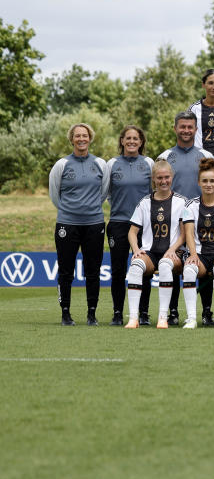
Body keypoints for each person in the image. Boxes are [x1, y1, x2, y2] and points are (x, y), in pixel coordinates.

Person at [157, 111, 214, 324]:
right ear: (175, 128)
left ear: (196, 129)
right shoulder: (165, 156)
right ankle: (173, 311)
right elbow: (157, 186)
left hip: (203, 216)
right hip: (174, 219)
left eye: (190, 127)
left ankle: (207, 311)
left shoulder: (206, 156)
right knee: (175, 262)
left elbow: (213, 183)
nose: (186, 130)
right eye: (182, 126)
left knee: (206, 263)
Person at [49, 123, 108, 326]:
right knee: (66, 271)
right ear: (72, 139)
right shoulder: (61, 165)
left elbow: (103, 193)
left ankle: (92, 314)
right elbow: (54, 195)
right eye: (77, 136)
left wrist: (89, 209)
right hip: (67, 224)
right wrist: (70, 211)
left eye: (85, 135)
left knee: (93, 270)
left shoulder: (100, 164)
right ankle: (65, 313)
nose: (81, 139)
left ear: (90, 138)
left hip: (94, 224)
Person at [123, 160, 187, 329]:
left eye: (166, 177)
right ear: (153, 179)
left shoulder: (181, 202)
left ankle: (162, 317)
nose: (163, 181)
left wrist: (173, 249)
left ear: (172, 177)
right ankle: (134, 318)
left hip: (174, 252)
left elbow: (184, 234)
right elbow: (131, 232)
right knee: (136, 265)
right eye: (159, 178)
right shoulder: (144, 202)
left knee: (166, 265)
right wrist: (136, 250)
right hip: (150, 252)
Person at [105, 126, 154, 326]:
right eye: (128, 138)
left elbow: (154, 192)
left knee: (145, 269)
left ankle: (143, 313)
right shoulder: (112, 163)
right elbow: (106, 192)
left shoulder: (149, 163)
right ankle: (117, 312)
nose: (132, 141)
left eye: (136, 138)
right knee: (117, 270)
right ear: (122, 141)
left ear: (141, 142)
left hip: (144, 225)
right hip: (118, 222)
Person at [181, 158, 214, 329]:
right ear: (198, 182)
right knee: (189, 270)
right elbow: (188, 233)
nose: (208, 184)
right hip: (200, 254)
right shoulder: (191, 205)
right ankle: (191, 318)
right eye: (205, 181)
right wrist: (194, 255)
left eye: (212, 181)